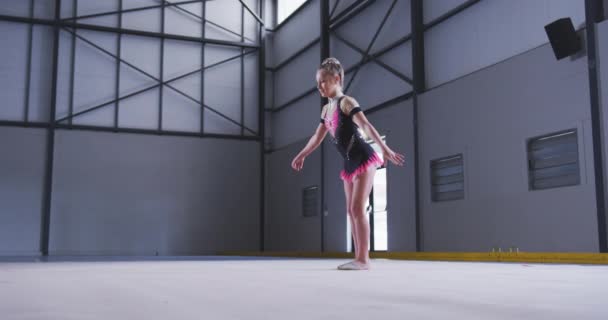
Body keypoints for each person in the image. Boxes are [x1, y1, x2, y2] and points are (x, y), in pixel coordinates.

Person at [291, 57, 405, 270]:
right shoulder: (326, 111)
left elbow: (366, 125)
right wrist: (302, 154)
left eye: (323, 81)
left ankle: (364, 260)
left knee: (357, 208)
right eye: (317, 83)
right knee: (351, 211)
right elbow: (317, 137)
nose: (319, 87)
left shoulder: (347, 102)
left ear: (337, 78)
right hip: (349, 162)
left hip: (364, 157)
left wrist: (385, 149)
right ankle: (358, 257)